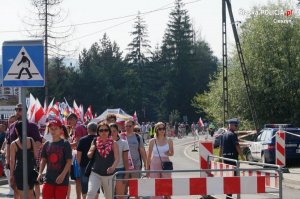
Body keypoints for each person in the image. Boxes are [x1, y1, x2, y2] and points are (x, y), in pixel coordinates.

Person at [6, 105, 42, 199]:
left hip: (28, 164)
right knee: (15, 187)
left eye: (20, 110)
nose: (17, 111)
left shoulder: (32, 126)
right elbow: (8, 144)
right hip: (16, 163)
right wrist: (7, 161)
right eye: (16, 109)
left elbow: (38, 143)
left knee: (31, 188)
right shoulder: (12, 126)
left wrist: (36, 163)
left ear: (26, 111)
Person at [38, 118, 72, 199]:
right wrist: (40, 173)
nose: (53, 131)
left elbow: (69, 161)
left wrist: (63, 175)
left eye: (55, 128)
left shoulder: (65, 143)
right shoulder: (46, 144)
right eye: (51, 129)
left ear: (61, 129)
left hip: (62, 181)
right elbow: (43, 160)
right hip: (48, 179)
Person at [86, 122, 119, 199]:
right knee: (90, 193)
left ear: (109, 131)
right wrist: (92, 150)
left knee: (109, 197)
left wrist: (113, 167)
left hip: (109, 175)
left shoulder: (113, 143)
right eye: (101, 130)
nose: (103, 132)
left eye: (106, 130)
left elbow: (117, 158)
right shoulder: (94, 142)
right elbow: (89, 155)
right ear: (98, 132)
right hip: (95, 173)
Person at [10, 121, 38, 199]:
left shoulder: (14, 144)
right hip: (30, 170)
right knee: (31, 194)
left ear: (16, 130)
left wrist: (11, 175)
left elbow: (12, 162)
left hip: (19, 171)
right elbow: (36, 156)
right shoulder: (31, 140)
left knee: (22, 196)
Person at [147, 122, 174, 199]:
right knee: (156, 185)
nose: (162, 130)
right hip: (154, 163)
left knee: (166, 185)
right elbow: (149, 156)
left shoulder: (169, 140)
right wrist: (147, 169)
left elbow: (172, 153)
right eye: (160, 129)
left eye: (163, 128)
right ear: (156, 130)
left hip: (166, 163)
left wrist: (168, 153)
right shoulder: (152, 141)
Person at [219, 118, 245, 199]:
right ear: (232, 125)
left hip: (225, 159)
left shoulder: (223, 135)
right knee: (233, 178)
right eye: (236, 125)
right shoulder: (233, 135)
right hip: (233, 160)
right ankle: (229, 196)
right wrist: (242, 157)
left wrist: (220, 158)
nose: (237, 127)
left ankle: (228, 195)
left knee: (228, 178)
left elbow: (220, 147)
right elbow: (237, 146)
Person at [122, 120, 147, 199]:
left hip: (136, 166)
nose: (128, 128)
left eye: (130, 126)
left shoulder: (138, 137)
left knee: (135, 189)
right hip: (124, 166)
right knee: (124, 189)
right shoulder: (121, 136)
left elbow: (142, 151)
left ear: (133, 126)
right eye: (126, 126)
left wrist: (146, 165)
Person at [67, 113, 87, 199]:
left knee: (78, 180)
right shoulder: (82, 126)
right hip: (84, 156)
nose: (69, 122)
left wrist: (66, 144)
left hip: (79, 156)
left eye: (69, 120)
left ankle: (79, 197)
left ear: (74, 119)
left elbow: (78, 144)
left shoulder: (78, 128)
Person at [77, 122, 98, 199]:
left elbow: (78, 155)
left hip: (84, 166)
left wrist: (78, 166)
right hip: (97, 166)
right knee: (96, 187)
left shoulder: (82, 140)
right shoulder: (99, 139)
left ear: (88, 129)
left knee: (85, 187)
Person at [110, 123, 129, 199]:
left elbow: (125, 159)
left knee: (120, 196)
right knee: (109, 195)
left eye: (114, 131)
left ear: (118, 131)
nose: (112, 133)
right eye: (110, 131)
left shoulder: (124, 142)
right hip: (108, 171)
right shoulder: (105, 142)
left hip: (120, 170)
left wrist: (126, 174)